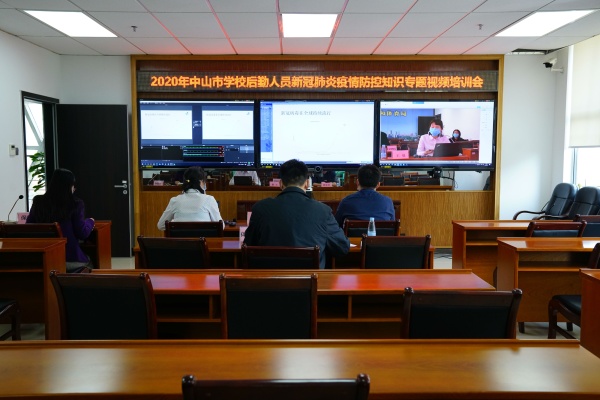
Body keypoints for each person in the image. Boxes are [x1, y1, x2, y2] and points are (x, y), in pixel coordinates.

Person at [243, 159, 350, 269]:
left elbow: (248, 246)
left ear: (280, 184)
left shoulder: (260, 208)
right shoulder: (323, 211)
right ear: (307, 183)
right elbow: (342, 247)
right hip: (311, 279)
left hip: (270, 278)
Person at [26, 168, 95, 272]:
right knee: (90, 262)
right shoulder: (75, 204)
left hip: (42, 259)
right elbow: (82, 233)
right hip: (69, 259)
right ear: (69, 186)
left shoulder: (38, 202)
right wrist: (90, 221)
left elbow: (29, 227)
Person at [157, 166, 223, 230]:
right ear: (201, 182)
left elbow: (161, 225)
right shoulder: (209, 199)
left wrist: (174, 222)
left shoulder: (175, 201)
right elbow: (221, 226)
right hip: (202, 237)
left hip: (181, 238)